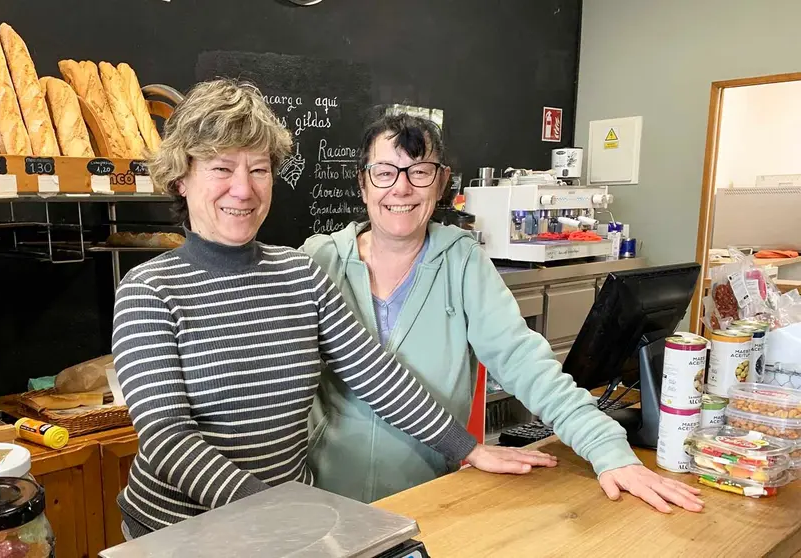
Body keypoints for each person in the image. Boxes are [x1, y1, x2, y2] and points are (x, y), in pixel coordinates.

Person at [111, 80, 557, 539]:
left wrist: (469, 449)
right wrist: (275, 512)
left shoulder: (299, 273)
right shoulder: (149, 290)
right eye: (222, 168)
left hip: (286, 524)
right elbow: (168, 437)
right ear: (181, 178)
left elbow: (375, 374)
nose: (243, 189)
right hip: (181, 531)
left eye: (259, 169)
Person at [301, 113, 704, 514]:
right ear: (363, 183)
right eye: (385, 172)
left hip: (426, 495)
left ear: (441, 182)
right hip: (324, 497)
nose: (402, 188)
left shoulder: (462, 262)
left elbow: (523, 361)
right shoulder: (319, 261)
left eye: (419, 171)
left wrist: (608, 450)